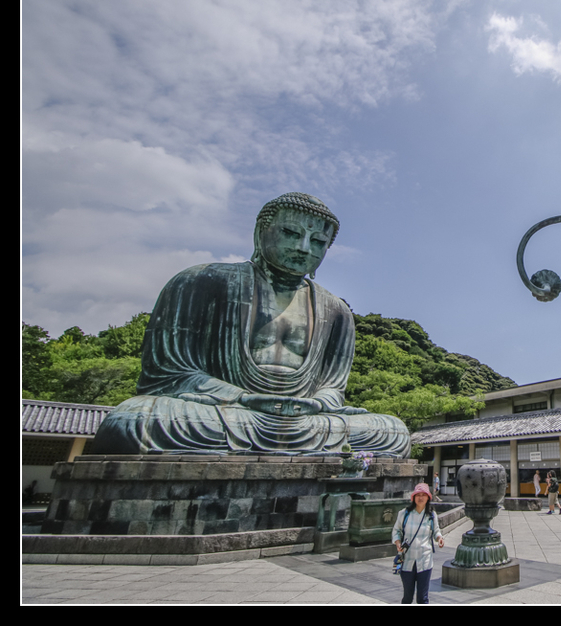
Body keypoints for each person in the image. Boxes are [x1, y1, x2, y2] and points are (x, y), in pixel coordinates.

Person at [93, 193, 411, 457]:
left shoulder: (337, 311)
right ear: (261, 231)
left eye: (317, 241)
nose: (303, 248)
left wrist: (316, 403)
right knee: (133, 419)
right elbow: (168, 375)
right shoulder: (202, 281)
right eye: (290, 233)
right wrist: (241, 398)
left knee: (392, 432)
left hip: (305, 421)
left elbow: (332, 387)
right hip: (228, 412)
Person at [392, 483, 444, 604]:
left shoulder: (431, 515)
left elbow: (436, 530)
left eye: (423, 495)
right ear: (413, 498)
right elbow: (396, 530)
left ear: (428, 498)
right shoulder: (404, 513)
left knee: (422, 598)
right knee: (407, 597)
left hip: (425, 560)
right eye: (418, 495)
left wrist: (439, 538)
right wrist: (397, 542)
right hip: (406, 561)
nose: (420, 498)